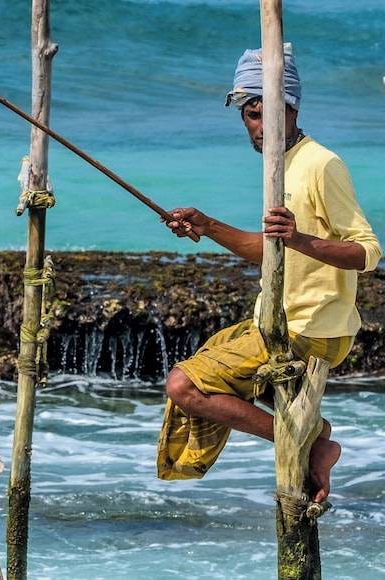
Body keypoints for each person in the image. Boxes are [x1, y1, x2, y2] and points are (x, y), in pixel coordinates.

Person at [155, 44, 382, 504]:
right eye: (251, 115)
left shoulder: (321, 164)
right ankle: (315, 436)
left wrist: (301, 240)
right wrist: (207, 225)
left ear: (292, 110)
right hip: (276, 320)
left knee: (184, 384)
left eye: (269, 114)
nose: (260, 126)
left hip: (313, 328)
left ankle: (312, 443)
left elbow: (369, 253)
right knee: (212, 358)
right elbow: (269, 251)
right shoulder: (279, 165)